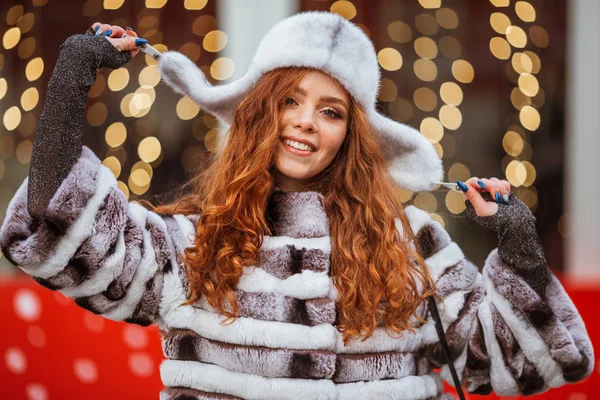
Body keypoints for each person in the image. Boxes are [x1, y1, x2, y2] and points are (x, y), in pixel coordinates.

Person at [0, 11, 594, 400]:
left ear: (351, 134)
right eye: (289, 99)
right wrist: (72, 80)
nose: (306, 122)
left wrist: (518, 240)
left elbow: (513, 364)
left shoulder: (413, 244)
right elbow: (57, 234)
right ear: (260, 110)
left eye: (331, 111)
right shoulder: (194, 242)